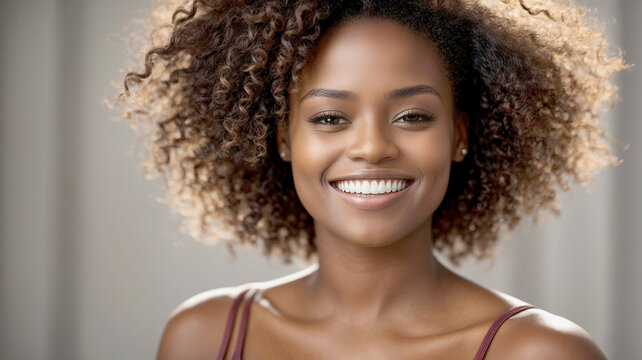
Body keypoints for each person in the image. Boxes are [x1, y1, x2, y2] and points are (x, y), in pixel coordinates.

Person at [116, 0, 629, 358]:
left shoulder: (539, 353)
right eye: (329, 118)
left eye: (412, 117)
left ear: (459, 135)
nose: (371, 148)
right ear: (282, 137)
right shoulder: (205, 337)